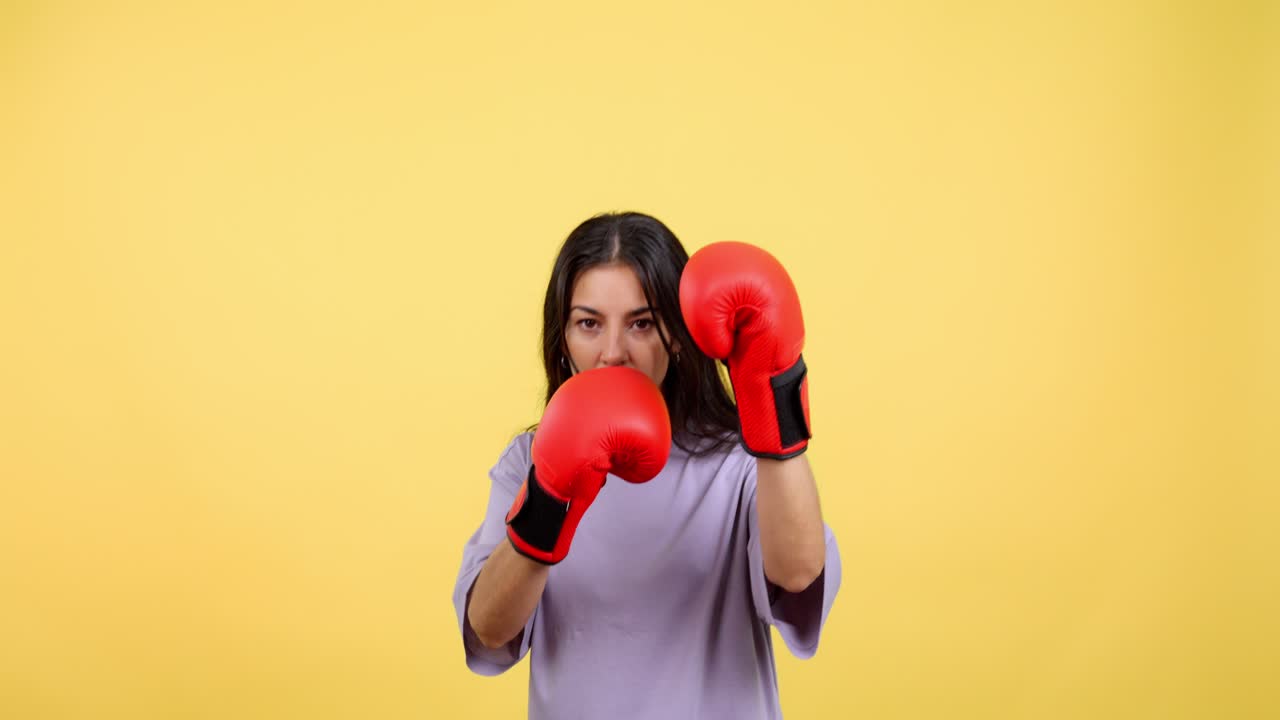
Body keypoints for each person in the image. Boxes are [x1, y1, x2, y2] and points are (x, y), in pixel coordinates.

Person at [451, 211, 841, 719]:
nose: (614, 352)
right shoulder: (527, 462)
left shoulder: (739, 461)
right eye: (589, 323)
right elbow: (488, 628)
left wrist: (773, 398)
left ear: (677, 337)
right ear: (563, 338)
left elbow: (797, 572)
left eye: (642, 324)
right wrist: (549, 496)